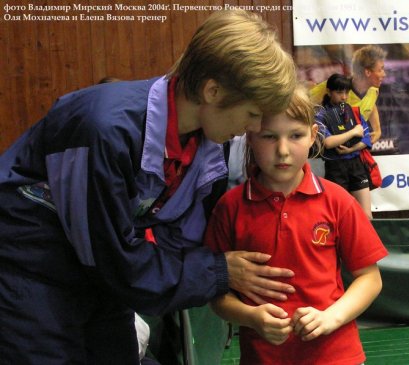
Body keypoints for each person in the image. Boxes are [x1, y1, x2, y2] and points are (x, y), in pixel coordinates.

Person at [0, 10, 297, 364]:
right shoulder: (105, 131)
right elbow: (115, 261)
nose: (254, 127)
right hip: (31, 273)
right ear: (212, 91)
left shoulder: (206, 147)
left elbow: (172, 243)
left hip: (101, 280)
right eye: (252, 114)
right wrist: (218, 271)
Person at [205, 87, 388, 365]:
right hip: (262, 358)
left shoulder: (338, 201)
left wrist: (330, 318)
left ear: (313, 135)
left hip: (337, 356)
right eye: (269, 137)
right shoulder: (230, 208)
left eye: (296, 136)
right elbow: (217, 294)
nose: (282, 150)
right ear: (250, 136)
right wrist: (251, 317)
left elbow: (370, 278)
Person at [317, 73, 374, 219]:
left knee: (366, 217)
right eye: (339, 92)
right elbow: (328, 142)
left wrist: (350, 149)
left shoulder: (354, 111)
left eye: (346, 92)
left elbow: (366, 139)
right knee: (338, 216)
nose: (344, 96)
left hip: (356, 165)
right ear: (329, 92)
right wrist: (353, 132)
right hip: (335, 167)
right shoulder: (320, 115)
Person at [310, 45, 387, 145]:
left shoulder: (374, 89)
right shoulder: (333, 87)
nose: (384, 74)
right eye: (380, 70)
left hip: (353, 149)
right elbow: (303, 101)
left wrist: (377, 130)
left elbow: (371, 105)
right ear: (367, 72)